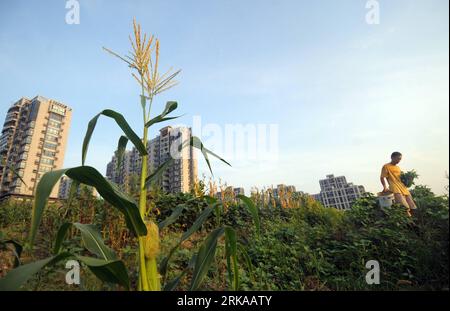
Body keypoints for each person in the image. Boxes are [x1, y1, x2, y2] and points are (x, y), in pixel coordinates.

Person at [380, 152, 417, 216]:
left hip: (403, 187)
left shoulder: (398, 168)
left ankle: (413, 221)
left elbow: (401, 178)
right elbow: (382, 177)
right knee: (404, 207)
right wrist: (385, 187)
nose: (399, 161)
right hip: (395, 187)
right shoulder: (386, 166)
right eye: (398, 159)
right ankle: (409, 223)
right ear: (392, 157)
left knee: (412, 206)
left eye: (400, 159)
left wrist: (408, 180)